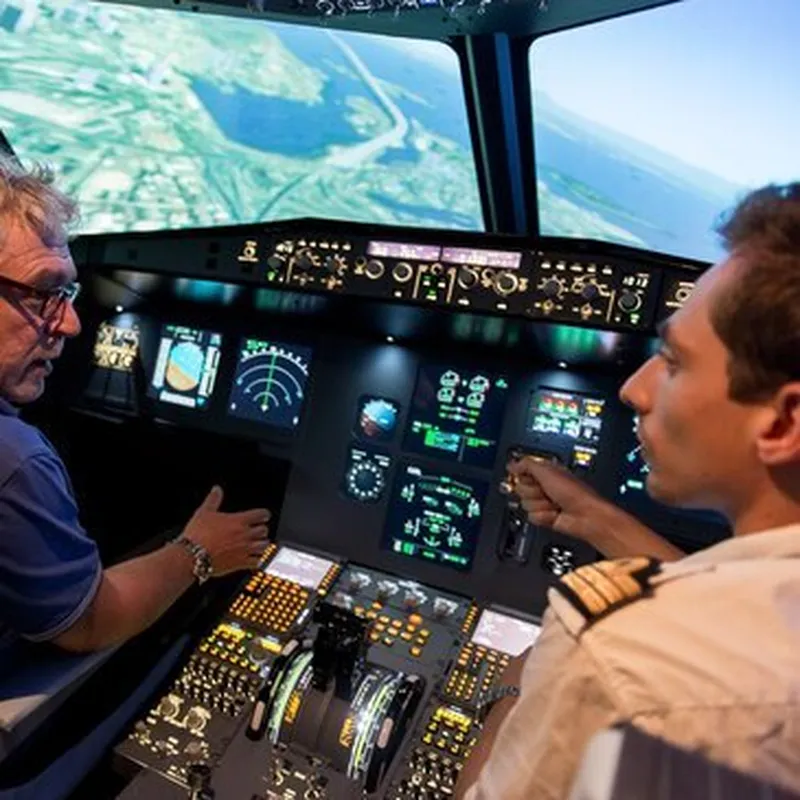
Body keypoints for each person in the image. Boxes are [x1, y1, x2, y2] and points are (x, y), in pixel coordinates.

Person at [456, 184, 800, 798]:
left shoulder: (618, 650)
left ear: (783, 421)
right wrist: (596, 519)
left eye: (674, 361)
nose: (634, 391)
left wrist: (520, 684)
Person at [0, 155, 271, 657]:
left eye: (68, 293)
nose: (72, 325)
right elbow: (89, 623)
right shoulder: (15, 461)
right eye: (43, 294)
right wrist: (199, 550)